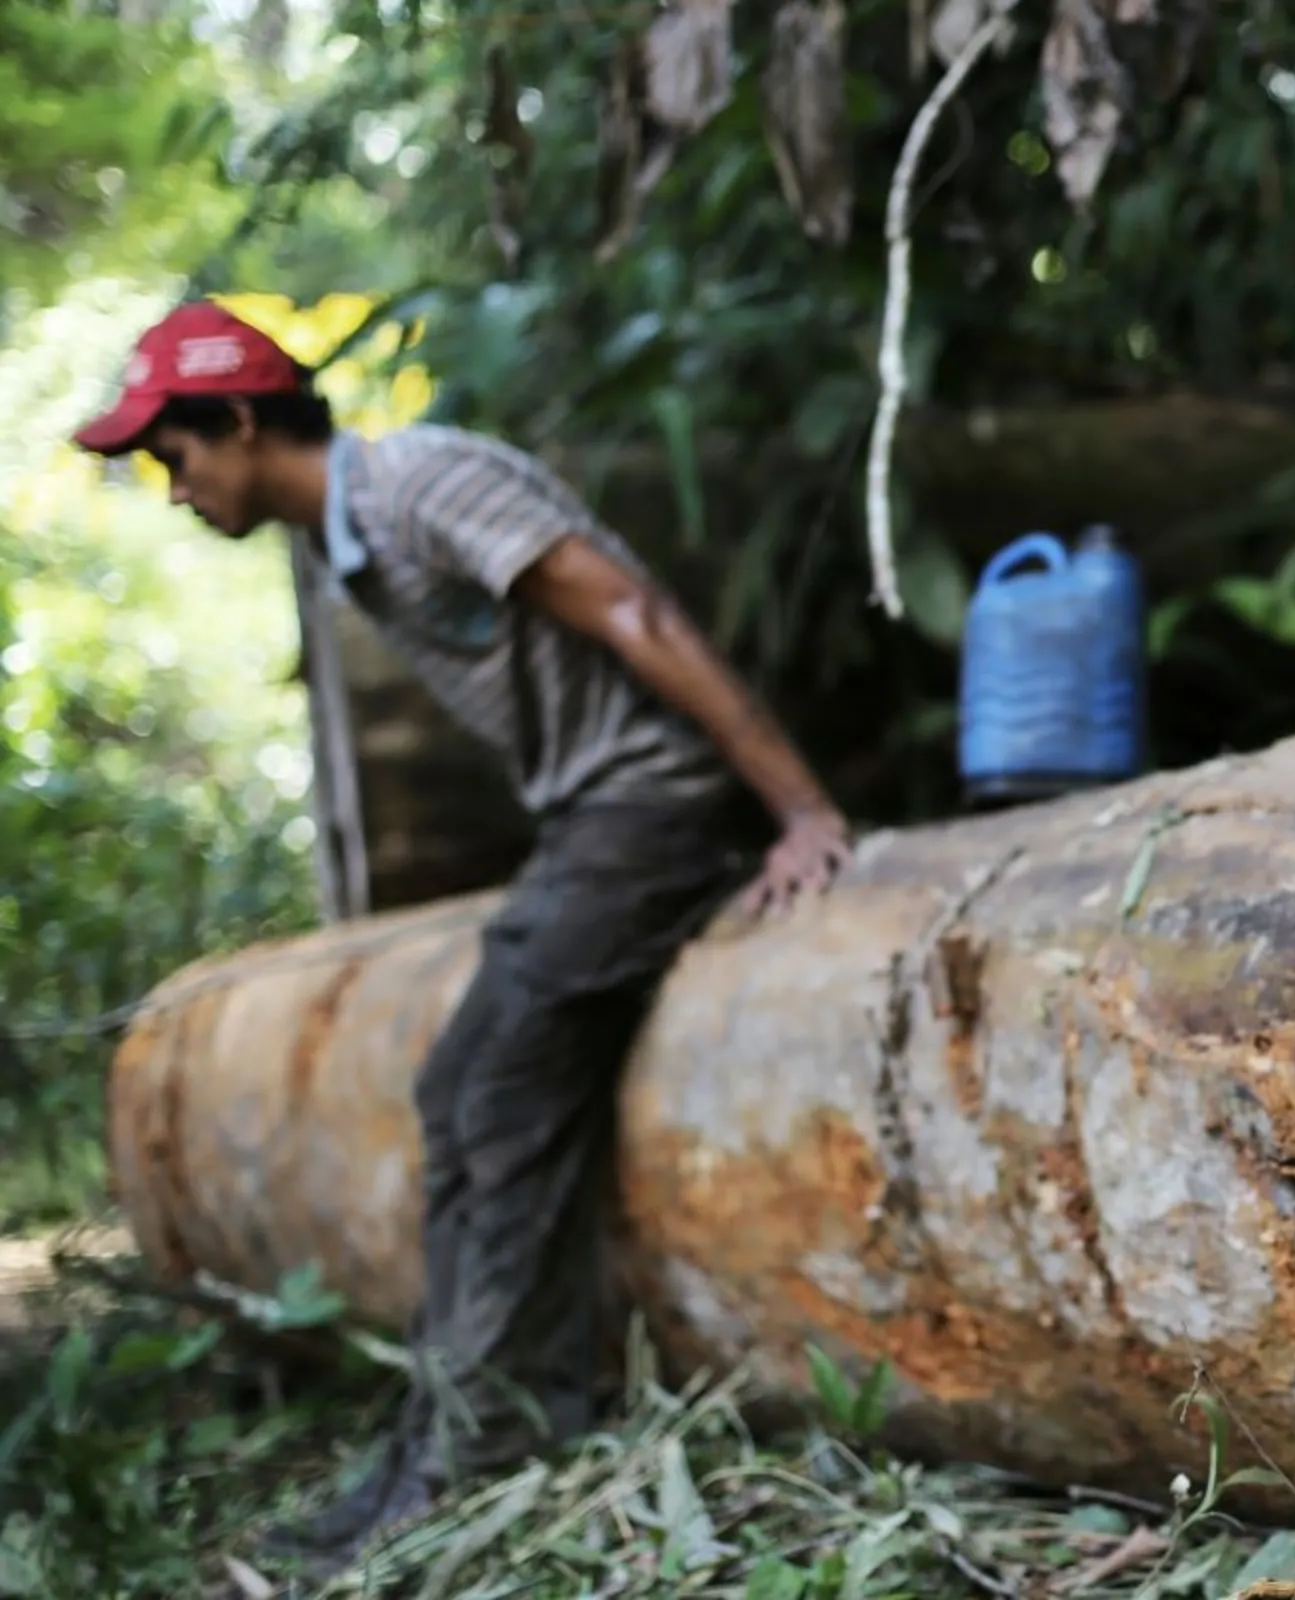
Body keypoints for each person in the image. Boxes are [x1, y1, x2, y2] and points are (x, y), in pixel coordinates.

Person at [71, 300, 855, 1567]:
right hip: (592, 821)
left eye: (176, 456)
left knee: (490, 1086)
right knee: (462, 1083)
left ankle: (482, 1441)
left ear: (237, 419)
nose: (175, 491)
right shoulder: (342, 542)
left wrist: (802, 808)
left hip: (652, 807)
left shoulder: (426, 482)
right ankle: (453, 1429)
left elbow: (635, 614)